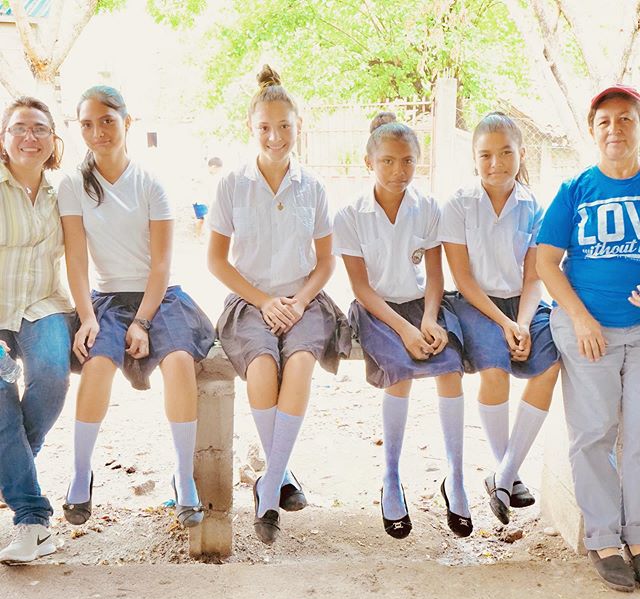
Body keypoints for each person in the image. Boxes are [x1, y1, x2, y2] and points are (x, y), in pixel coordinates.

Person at [58, 86, 215, 529]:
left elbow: (162, 263)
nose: (97, 132)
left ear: (127, 122)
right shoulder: (74, 184)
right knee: (97, 363)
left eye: (107, 121)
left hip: (158, 296)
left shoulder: (151, 183)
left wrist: (143, 321)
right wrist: (87, 317)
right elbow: (76, 259)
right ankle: (80, 474)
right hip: (106, 299)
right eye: (87, 124)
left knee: (180, 362)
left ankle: (184, 479)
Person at [208, 65, 351, 545]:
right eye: (265, 127)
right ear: (251, 128)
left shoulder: (313, 186)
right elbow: (216, 261)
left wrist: (299, 300)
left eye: (284, 126)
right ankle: (282, 475)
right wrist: (265, 301)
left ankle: (268, 493)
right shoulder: (232, 184)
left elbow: (327, 260)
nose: (275, 136)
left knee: (302, 362)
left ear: (299, 127)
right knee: (264, 367)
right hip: (249, 301)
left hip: (306, 297)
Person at [334, 113, 469, 539]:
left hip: (423, 305)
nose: (399, 171)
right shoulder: (351, 214)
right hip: (378, 310)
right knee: (401, 372)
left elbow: (435, 276)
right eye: (388, 161)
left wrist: (429, 319)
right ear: (369, 161)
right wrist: (405, 331)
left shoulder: (427, 207)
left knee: (450, 368)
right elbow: (361, 288)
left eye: (408, 161)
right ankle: (391, 478)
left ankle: (457, 477)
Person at [537, 85, 640, 592]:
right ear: (592, 129)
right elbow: (544, 262)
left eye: (625, 119)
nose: (615, 129)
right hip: (590, 332)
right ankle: (603, 537)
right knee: (594, 432)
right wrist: (578, 317)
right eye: (605, 121)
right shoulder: (576, 189)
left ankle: (638, 538)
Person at [440, 112, 560, 526]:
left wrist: (524, 322)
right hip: (474, 304)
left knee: (551, 362)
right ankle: (506, 471)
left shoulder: (533, 206)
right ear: (474, 159)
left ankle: (504, 476)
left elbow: (533, 277)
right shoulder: (458, 203)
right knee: (496, 367)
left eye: (506, 152)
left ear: (521, 153)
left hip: (522, 305)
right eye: (486, 155)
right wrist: (503, 324)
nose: (496, 163)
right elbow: (462, 277)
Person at [0, 97, 74, 563]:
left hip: (44, 305)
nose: (30, 136)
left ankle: (10, 468)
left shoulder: (61, 195)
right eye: (19, 128)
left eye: (40, 129)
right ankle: (32, 519)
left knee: (51, 372)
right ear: (3, 139)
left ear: (53, 142)